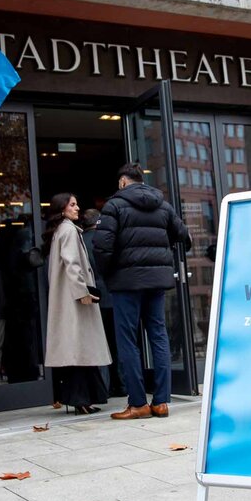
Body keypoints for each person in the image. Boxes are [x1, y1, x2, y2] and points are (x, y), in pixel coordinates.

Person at [94, 164, 191, 420]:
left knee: (128, 340)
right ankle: (161, 403)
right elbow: (185, 236)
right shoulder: (163, 205)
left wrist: (107, 275)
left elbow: (102, 247)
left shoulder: (114, 206)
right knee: (158, 336)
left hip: (126, 283)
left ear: (124, 182)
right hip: (157, 281)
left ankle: (138, 403)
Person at [42, 193, 112, 415]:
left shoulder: (59, 231)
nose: (77, 207)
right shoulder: (69, 231)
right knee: (81, 351)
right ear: (62, 209)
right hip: (75, 300)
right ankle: (82, 400)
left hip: (66, 298)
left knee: (76, 352)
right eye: (72, 204)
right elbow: (72, 264)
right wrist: (83, 291)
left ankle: (80, 399)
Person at [80, 208, 126, 397]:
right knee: (117, 344)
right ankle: (121, 385)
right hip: (112, 295)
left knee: (98, 344)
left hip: (91, 297)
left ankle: (103, 388)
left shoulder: (81, 241)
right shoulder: (107, 239)